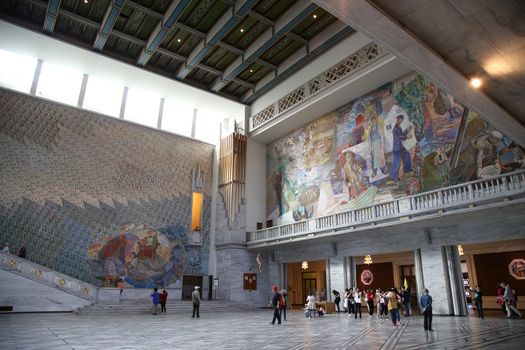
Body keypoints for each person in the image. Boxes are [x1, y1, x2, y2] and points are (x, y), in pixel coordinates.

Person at [390, 115, 413, 181]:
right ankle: (393, 177)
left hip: (400, 147)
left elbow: (401, 135)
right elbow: (398, 138)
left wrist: (407, 130)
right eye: (400, 119)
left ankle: (407, 169)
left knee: (407, 154)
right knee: (397, 162)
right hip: (396, 148)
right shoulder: (395, 128)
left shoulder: (399, 127)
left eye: (402, 120)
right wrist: (407, 137)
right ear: (397, 119)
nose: (401, 121)